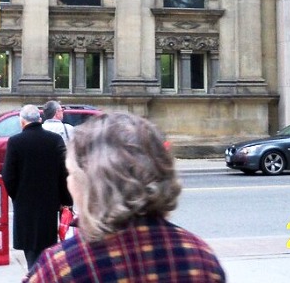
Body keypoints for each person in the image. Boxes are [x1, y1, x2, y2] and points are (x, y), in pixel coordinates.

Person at [26, 112, 227, 282]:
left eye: (70, 173)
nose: (68, 183)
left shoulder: (61, 267)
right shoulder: (201, 259)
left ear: (91, 186)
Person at [1, 104, 71, 269]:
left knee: (30, 250)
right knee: (48, 247)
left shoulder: (15, 142)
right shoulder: (55, 140)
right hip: (49, 204)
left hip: (25, 206)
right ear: (40, 120)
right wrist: (64, 200)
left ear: (22, 122)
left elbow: (8, 177)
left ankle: (35, 276)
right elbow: (64, 173)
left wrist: (17, 196)